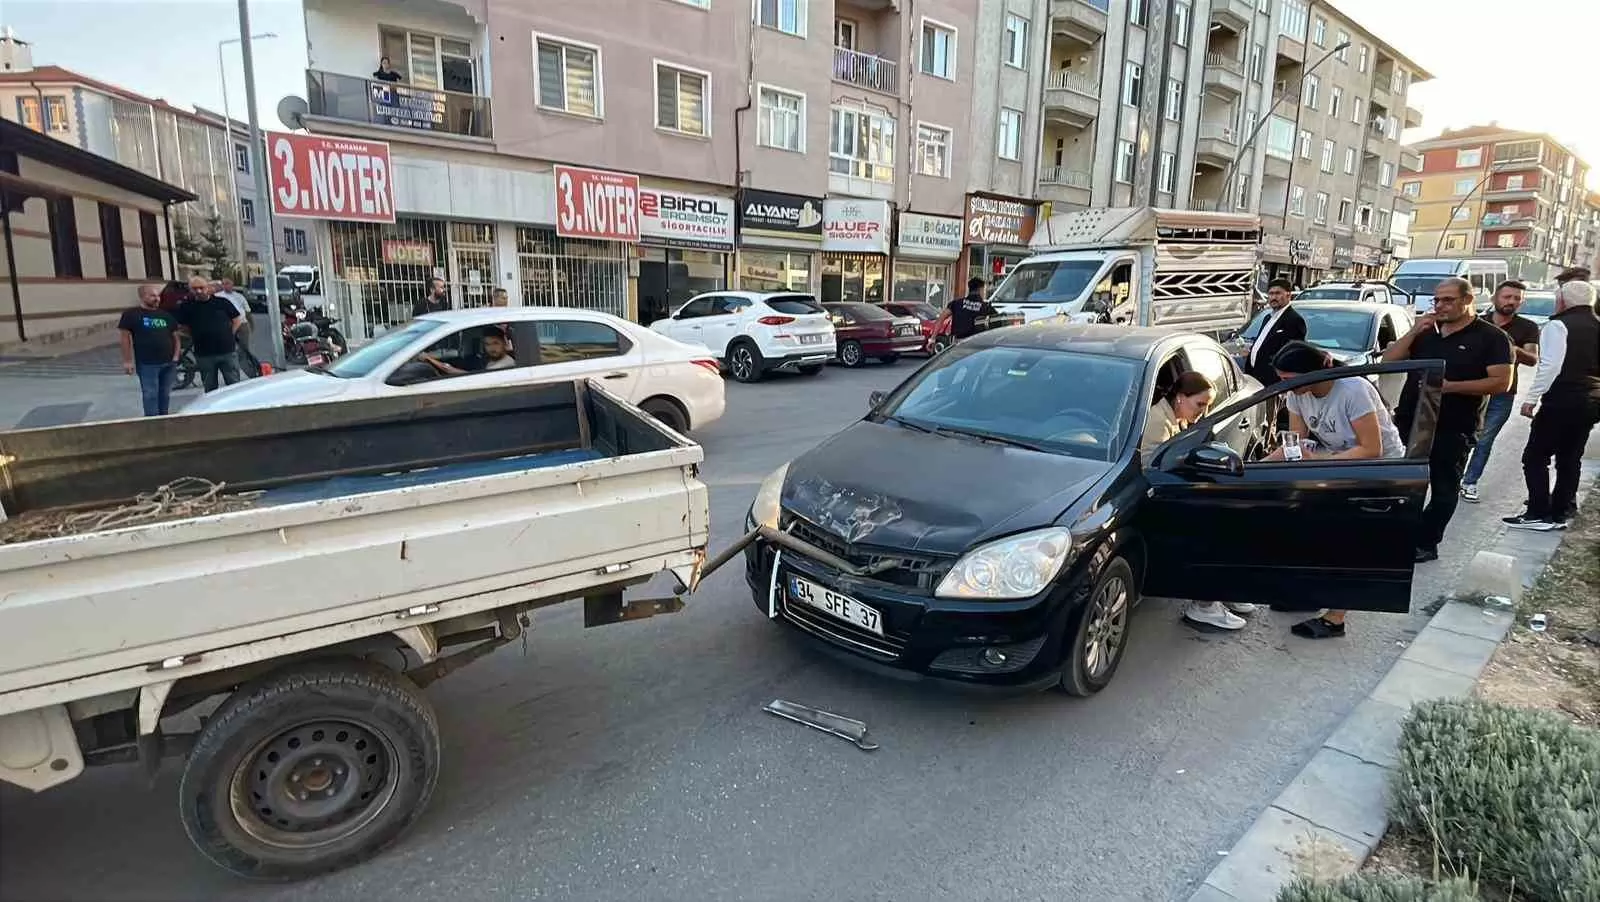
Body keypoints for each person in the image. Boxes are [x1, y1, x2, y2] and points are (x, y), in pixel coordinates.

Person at [1267, 341, 1406, 639]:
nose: (1287, 387)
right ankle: (1310, 594)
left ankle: (1335, 618)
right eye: (1282, 380)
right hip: (1336, 466)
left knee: (1348, 543)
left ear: (1317, 371)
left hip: (1378, 471)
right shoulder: (1297, 394)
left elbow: (1372, 449)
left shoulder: (1352, 390)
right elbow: (1296, 443)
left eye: (1291, 380)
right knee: (1313, 534)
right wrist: (1253, 469)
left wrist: (1317, 460)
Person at [1384, 276, 1513, 563]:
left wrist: (1451, 387)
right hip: (1410, 419)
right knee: (1403, 483)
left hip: (1454, 425)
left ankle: (1427, 542)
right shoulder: (1427, 333)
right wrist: (1415, 329)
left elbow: (1501, 382)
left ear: (1468, 300)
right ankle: (1399, 536)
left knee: (1443, 488)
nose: (1440, 306)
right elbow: (1388, 362)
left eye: (1448, 300)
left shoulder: (1491, 338)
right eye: (1437, 300)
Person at [1505, 279, 1599, 531]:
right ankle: (1562, 510)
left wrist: (1531, 398)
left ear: (1563, 301)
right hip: (1591, 401)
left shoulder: (1558, 326)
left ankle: (1537, 511)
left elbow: (1550, 366)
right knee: (1570, 457)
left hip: (1562, 399)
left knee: (1535, 456)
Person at [1459, 281, 1540, 502]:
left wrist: (1510, 348)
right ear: (1496, 298)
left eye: (1516, 298)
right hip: (1473, 388)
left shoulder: (1528, 327)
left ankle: (1469, 482)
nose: (1511, 302)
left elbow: (1533, 359)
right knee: (1461, 434)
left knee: (1485, 439)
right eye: (1507, 297)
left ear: (1522, 302)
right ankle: (1452, 475)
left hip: (1502, 393)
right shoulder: (1478, 322)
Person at [117, 284, 181, 416]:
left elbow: (176, 337)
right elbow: (125, 338)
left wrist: (175, 357)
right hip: (147, 363)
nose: (157, 298)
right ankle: (152, 423)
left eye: (158, 296)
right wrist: (127, 361)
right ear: (142, 296)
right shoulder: (131, 314)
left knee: (165, 394)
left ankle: (164, 419)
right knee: (150, 394)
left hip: (168, 362)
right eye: (152, 296)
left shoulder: (165, 315)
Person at [176, 276, 245, 392]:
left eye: (201, 288)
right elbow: (182, 327)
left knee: (234, 387)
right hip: (204, 354)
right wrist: (196, 334)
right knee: (210, 388)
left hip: (227, 351)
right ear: (190, 290)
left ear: (207, 287)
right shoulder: (186, 306)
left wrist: (229, 334)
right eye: (194, 288)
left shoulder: (222, 302)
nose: (198, 291)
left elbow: (237, 319)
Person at [1242, 278, 1306, 387]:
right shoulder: (1268, 317)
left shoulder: (1294, 320)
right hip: (1254, 377)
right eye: (1271, 294)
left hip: (1273, 382)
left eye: (1278, 293)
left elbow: (1292, 354)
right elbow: (1263, 342)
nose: (1273, 297)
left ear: (1288, 295)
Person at [420, 326, 515, 376]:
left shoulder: (506, 364)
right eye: (487, 344)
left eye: (496, 343)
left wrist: (429, 359)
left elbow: (470, 377)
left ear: (504, 343)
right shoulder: (487, 359)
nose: (491, 348)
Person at [214, 278, 260, 378]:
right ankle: (232, 373)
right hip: (227, 326)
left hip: (242, 325)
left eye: (228, 283)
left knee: (244, 350)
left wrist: (251, 325)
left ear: (232, 284)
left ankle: (251, 373)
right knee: (228, 351)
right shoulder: (218, 296)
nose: (226, 286)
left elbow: (247, 312)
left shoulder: (239, 297)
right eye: (224, 284)